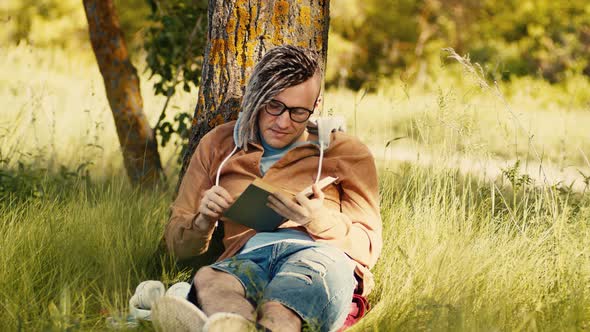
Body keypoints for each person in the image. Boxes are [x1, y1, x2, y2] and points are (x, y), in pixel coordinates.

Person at [152, 45, 382, 332]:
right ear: (255, 97)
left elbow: (369, 246)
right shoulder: (218, 145)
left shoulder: (346, 152)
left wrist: (316, 220)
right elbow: (178, 247)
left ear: (317, 105)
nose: (283, 122)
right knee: (210, 280)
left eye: (298, 112)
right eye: (273, 105)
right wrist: (202, 221)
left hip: (317, 256)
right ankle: (227, 325)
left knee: (281, 305)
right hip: (247, 259)